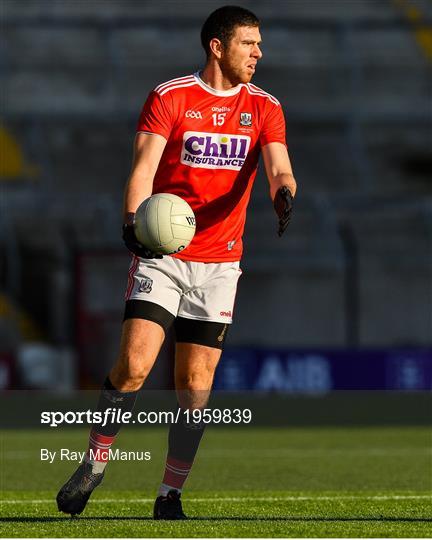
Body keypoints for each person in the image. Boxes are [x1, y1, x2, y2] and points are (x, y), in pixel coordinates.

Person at [56, 5, 297, 520]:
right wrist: (132, 222)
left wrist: (284, 195)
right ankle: (95, 463)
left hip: (220, 264)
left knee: (194, 387)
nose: (259, 53)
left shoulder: (265, 107)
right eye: (249, 43)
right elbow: (143, 169)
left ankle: (169, 495)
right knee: (135, 367)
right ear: (217, 46)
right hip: (163, 257)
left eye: (259, 44)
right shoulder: (171, 97)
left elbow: (279, 167)